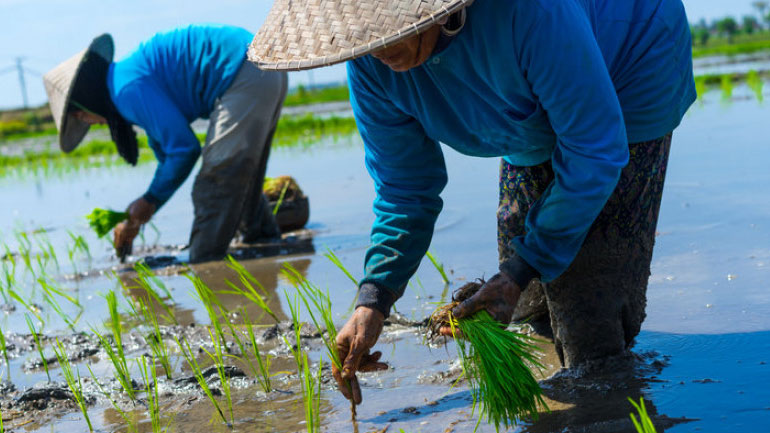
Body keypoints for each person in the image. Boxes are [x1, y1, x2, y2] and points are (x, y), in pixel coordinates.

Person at [250, 0, 696, 405]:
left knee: (590, 311)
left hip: (633, 56)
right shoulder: (372, 66)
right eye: (364, 39)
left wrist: (520, 270)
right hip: (528, 105)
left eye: (387, 32)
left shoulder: (529, 13)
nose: (376, 50)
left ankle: (608, 402)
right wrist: (374, 300)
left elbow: (595, 150)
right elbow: (405, 189)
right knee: (522, 306)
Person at [43, 24, 288, 263]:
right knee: (244, 182)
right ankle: (266, 247)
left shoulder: (127, 90)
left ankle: (207, 265)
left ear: (86, 102)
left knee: (214, 187)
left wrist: (149, 200)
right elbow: (167, 157)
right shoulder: (127, 79)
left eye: (82, 117)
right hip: (263, 66)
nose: (92, 123)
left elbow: (184, 150)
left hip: (244, 71)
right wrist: (139, 214)